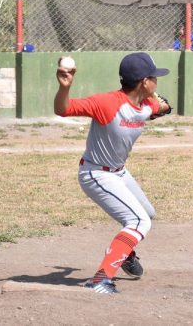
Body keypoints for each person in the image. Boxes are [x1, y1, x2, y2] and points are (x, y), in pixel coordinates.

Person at [54, 52, 172, 294]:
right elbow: (63, 109)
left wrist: (163, 105)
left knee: (147, 213)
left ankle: (125, 252)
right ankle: (101, 278)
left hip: (119, 173)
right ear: (143, 82)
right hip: (96, 174)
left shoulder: (146, 104)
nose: (156, 81)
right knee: (139, 221)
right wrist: (65, 87)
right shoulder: (107, 103)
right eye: (154, 77)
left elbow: (162, 107)